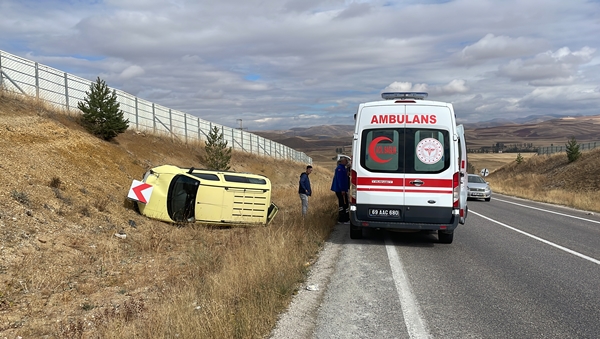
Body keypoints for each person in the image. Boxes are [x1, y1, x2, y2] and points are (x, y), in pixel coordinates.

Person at [331, 157, 350, 224]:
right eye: (346, 161)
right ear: (342, 161)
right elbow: (340, 180)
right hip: (340, 190)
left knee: (344, 203)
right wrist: (342, 189)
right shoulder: (340, 169)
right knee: (343, 204)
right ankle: (342, 219)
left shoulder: (343, 168)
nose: (347, 162)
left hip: (343, 189)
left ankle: (345, 218)